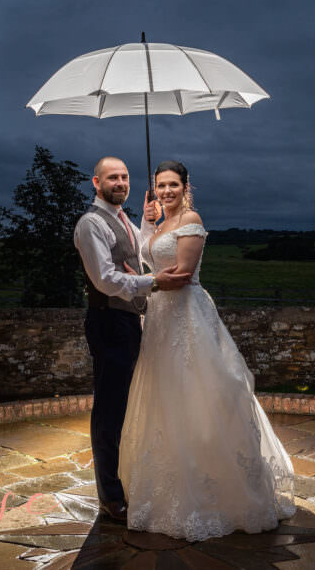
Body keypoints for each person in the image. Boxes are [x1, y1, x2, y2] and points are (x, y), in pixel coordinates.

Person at [118, 160, 296, 541]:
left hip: (188, 318)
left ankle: (216, 494)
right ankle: (166, 491)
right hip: (160, 322)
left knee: (199, 397)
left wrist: (141, 283)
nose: (166, 191)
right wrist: (147, 226)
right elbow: (148, 256)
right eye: (161, 186)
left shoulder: (190, 219)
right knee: (164, 400)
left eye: (173, 185)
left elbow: (181, 275)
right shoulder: (159, 223)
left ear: (185, 186)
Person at [72, 156, 192, 523]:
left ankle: (124, 482)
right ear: (96, 182)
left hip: (126, 321)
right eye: (112, 178)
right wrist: (154, 282)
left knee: (126, 406)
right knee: (109, 410)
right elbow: (106, 279)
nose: (120, 183)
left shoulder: (121, 218)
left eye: (124, 177)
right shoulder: (91, 223)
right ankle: (110, 496)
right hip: (108, 321)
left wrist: (147, 222)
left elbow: (137, 255)